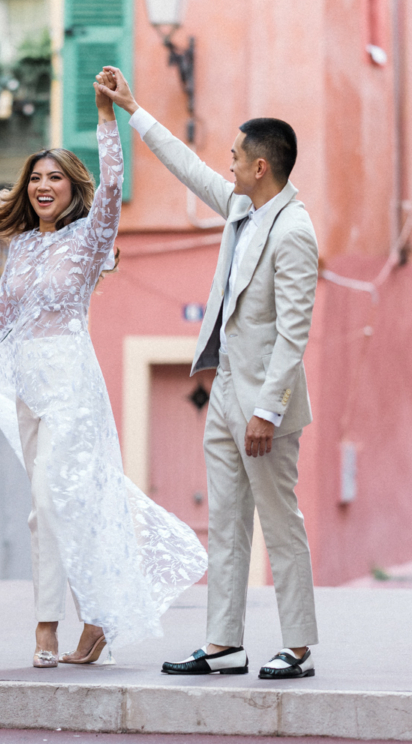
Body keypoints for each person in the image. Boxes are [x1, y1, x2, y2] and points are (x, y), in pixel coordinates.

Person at [0, 69, 207, 669]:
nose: (44, 186)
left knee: (48, 499)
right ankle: (94, 621)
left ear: (73, 189)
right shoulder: (19, 247)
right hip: (27, 386)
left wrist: (107, 116)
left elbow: (116, 181)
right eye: (36, 179)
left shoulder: (92, 239)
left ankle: (47, 629)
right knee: (56, 504)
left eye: (55, 179)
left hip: (72, 383)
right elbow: (4, 314)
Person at [94, 67, 320, 680]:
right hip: (223, 393)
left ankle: (297, 646)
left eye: (236, 158)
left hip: (262, 407)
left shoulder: (294, 231)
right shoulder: (243, 208)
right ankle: (225, 644)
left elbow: (293, 333)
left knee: (280, 522)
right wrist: (133, 109)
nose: (228, 166)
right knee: (226, 524)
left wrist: (267, 411)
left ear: (261, 167)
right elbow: (188, 167)